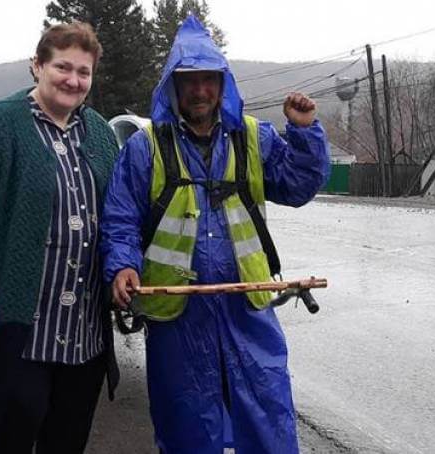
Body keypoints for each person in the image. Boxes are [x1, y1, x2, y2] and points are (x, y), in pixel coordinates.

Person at [100, 15, 329, 454]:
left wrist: (304, 132)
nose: (200, 90)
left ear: (223, 84)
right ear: (173, 86)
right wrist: (123, 266)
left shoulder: (252, 138)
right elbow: (120, 218)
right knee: (186, 424)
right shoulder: (145, 147)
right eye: (190, 80)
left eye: (209, 79)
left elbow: (298, 186)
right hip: (177, 317)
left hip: (247, 308)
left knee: (267, 416)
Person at [0, 21, 119, 454]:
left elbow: (123, 211)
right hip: (21, 331)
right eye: (62, 67)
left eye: (83, 72)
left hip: (83, 334)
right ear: (37, 66)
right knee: (8, 440)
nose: (73, 80)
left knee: (66, 441)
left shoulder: (101, 134)